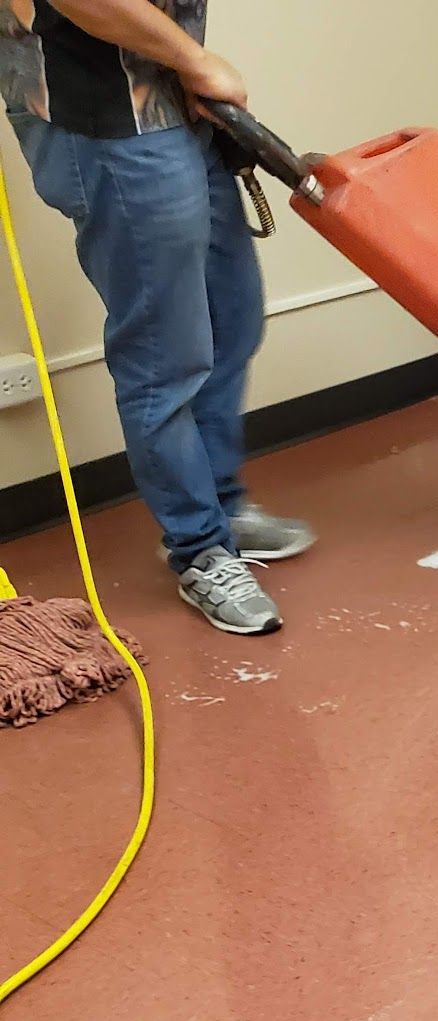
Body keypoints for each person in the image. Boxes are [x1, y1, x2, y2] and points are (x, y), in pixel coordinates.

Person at [0, 0, 312, 635]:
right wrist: (193, 58)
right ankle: (200, 549)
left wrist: (183, 72)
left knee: (232, 315)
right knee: (163, 353)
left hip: (168, 102)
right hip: (104, 125)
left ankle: (221, 504)